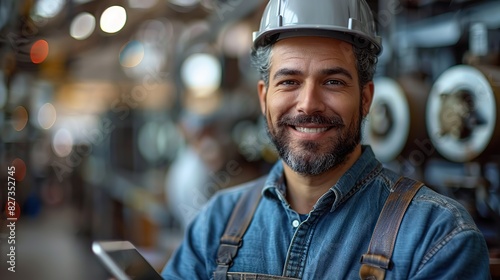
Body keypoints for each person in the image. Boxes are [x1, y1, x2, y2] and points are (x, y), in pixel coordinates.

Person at [162, 0, 491, 279]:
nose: (308, 104)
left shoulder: (436, 237)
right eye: (289, 81)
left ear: (365, 99)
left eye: (332, 82)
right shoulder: (215, 222)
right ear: (264, 98)